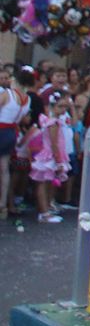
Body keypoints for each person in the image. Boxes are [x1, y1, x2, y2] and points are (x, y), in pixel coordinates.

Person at [27, 91, 72, 223]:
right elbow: (54, 143)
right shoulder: (53, 123)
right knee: (42, 183)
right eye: (60, 106)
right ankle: (44, 212)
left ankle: (46, 209)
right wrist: (58, 161)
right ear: (52, 107)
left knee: (46, 183)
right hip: (49, 155)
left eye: (65, 106)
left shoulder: (51, 121)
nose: (63, 109)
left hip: (50, 154)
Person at [0, 65, 26, 220]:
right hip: (10, 132)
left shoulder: (6, 94)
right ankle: (2, 203)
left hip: (2, 130)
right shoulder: (21, 97)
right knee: (4, 169)